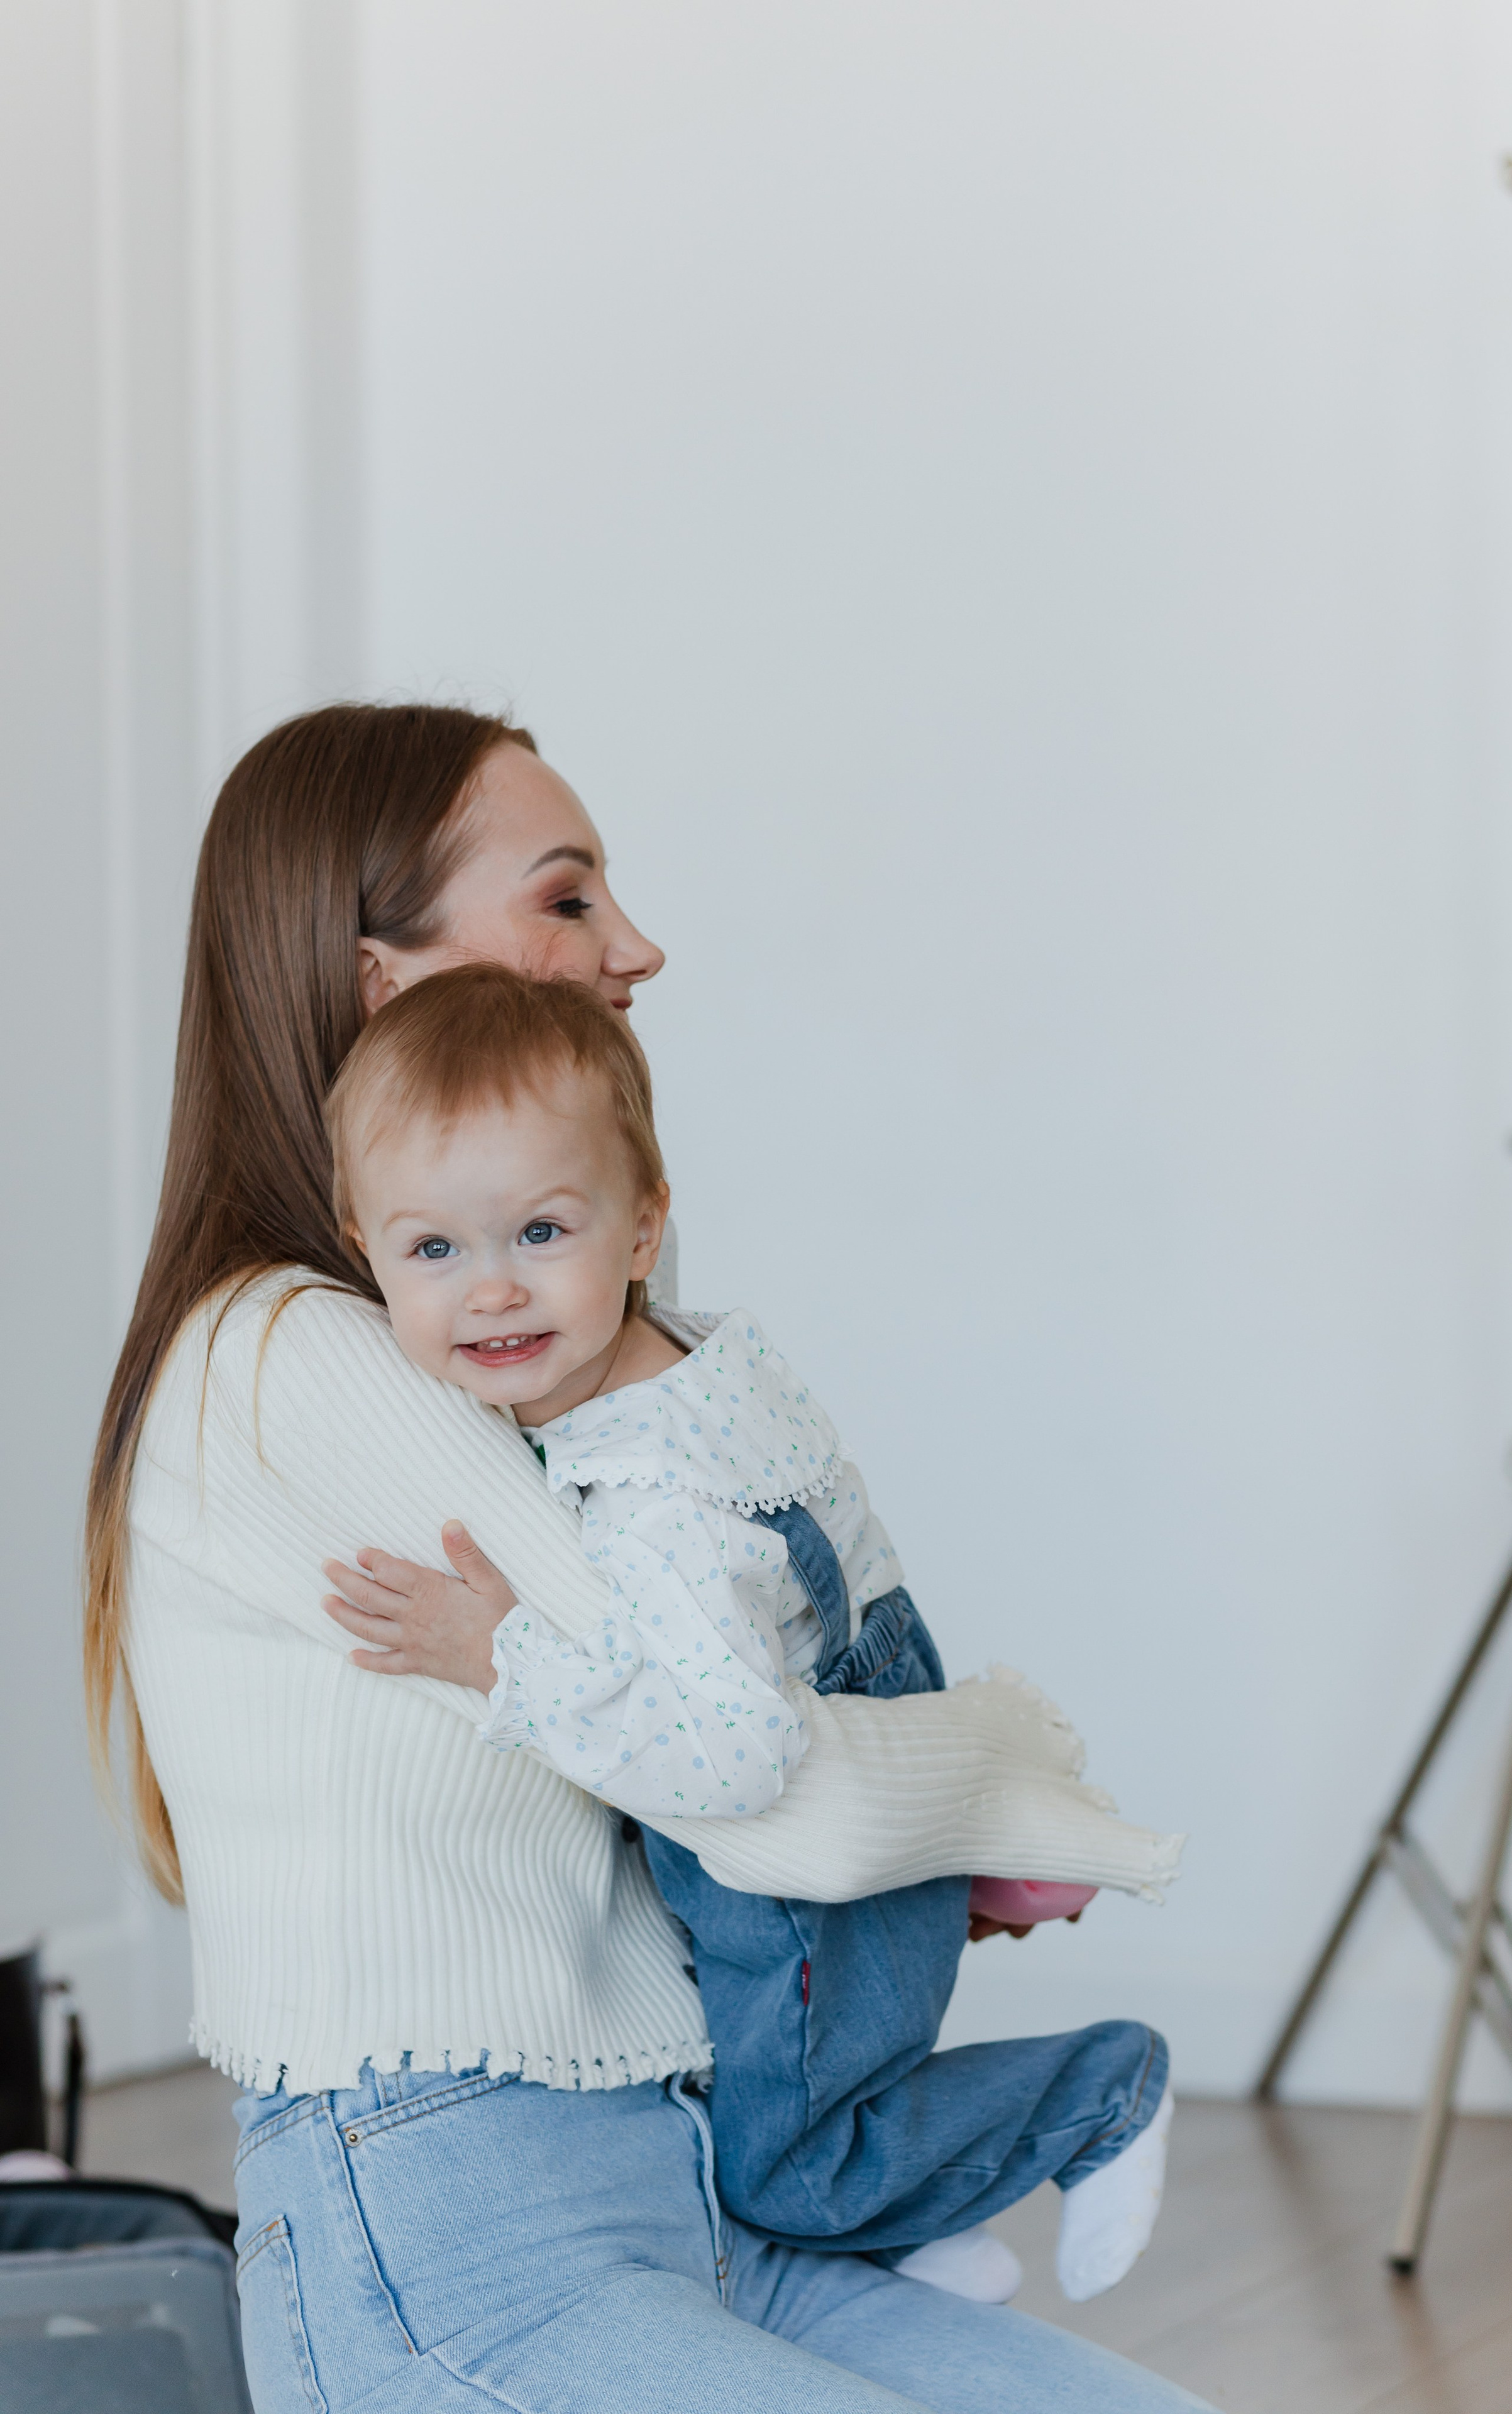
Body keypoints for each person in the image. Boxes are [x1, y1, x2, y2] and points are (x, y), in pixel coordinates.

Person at [86, 702, 1220, 2413]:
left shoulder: (530, 1358)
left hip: (690, 2181)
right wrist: (997, 1788)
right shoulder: (302, 1362)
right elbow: (777, 1774)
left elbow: (727, 1717)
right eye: (566, 900)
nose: (637, 946)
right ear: (386, 986)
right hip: (457, 2225)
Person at [317, 961, 1181, 2307]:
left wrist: (500, 1658)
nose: (490, 1292)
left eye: (541, 1233)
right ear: (363, 1248)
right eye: (434, 1250)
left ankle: (1092, 2097)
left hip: (797, 1823)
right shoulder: (669, 1359)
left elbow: (728, 1759)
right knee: (808, 2086)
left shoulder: (664, 1496)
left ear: (643, 1225)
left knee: (785, 2168)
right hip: (861, 1716)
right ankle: (908, 2228)